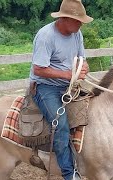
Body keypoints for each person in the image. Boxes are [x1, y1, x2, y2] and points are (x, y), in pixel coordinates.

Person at [29, 0, 93, 179]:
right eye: (77, 20)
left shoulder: (76, 33)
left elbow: (82, 58)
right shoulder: (46, 36)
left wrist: (84, 67)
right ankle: (69, 174)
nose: (81, 24)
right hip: (45, 87)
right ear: (65, 18)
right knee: (61, 126)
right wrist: (68, 75)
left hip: (68, 85)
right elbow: (38, 69)